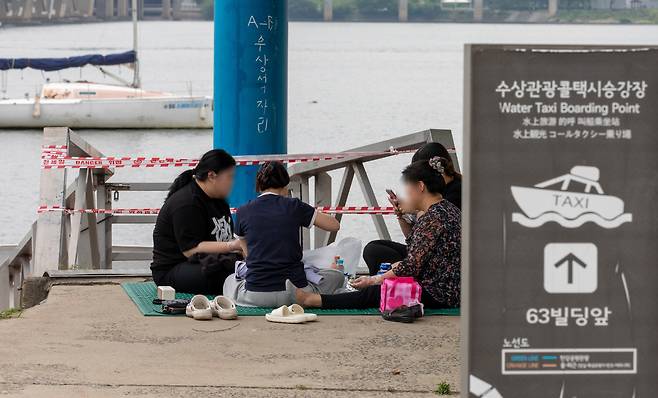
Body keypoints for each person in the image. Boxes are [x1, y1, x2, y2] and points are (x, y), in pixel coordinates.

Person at [291, 157, 461, 310]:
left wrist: (374, 279)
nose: (406, 194)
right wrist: (403, 215)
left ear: (420, 186)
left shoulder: (432, 218)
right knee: (380, 267)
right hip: (451, 286)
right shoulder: (448, 209)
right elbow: (416, 249)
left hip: (440, 292)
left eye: (408, 188)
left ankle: (317, 300)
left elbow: (411, 266)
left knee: (377, 291)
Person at [223, 161, 346, 307]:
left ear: (259, 185)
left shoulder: (243, 211)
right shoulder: (294, 205)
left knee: (229, 280)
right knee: (336, 276)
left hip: (255, 295)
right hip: (295, 293)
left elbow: (248, 255)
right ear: (285, 184)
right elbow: (334, 225)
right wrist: (308, 212)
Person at [362, 142, 461, 276]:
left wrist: (414, 209)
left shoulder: (454, 194)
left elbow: (432, 224)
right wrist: (402, 216)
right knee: (374, 249)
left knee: (378, 255)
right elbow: (412, 238)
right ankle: (386, 286)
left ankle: (386, 285)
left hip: (441, 262)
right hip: (424, 253)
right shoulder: (435, 193)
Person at [151, 149, 241, 295]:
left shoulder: (219, 200)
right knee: (226, 274)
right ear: (211, 176)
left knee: (243, 267)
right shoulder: (187, 203)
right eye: (230, 177)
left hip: (206, 260)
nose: (232, 182)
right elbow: (190, 250)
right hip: (174, 268)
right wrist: (232, 246)